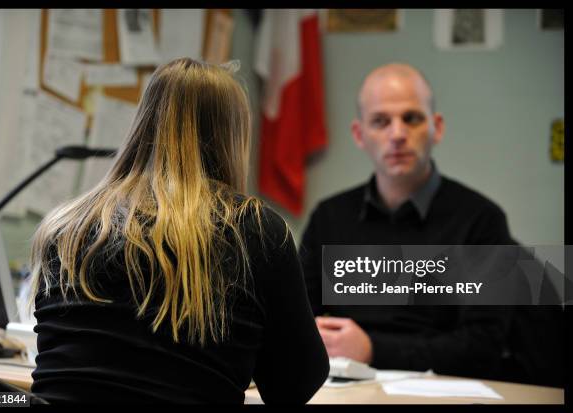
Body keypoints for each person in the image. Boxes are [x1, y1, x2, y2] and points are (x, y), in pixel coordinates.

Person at [28, 58, 329, 404]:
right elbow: (295, 386)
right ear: (232, 138)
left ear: (143, 123)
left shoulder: (66, 228)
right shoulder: (254, 231)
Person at [299, 62, 516, 380]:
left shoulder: (482, 220)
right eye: (380, 121)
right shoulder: (329, 217)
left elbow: (484, 347)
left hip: (446, 392)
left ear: (436, 127)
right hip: (342, 389)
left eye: (411, 118)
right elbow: (297, 321)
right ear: (359, 135)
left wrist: (372, 348)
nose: (397, 134)